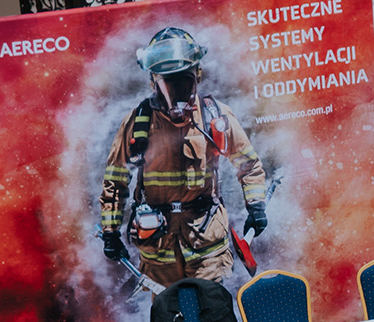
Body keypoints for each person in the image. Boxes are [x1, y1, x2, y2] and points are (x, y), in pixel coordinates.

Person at [99, 26, 267, 288]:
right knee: (168, 312)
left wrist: (256, 206)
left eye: (182, 80)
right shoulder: (138, 121)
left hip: (207, 247)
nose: (176, 92)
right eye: (169, 82)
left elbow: (249, 165)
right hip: (159, 249)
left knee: (212, 308)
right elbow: (115, 179)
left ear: (197, 75)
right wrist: (110, 231)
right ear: (153, 81)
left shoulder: (216, 116)